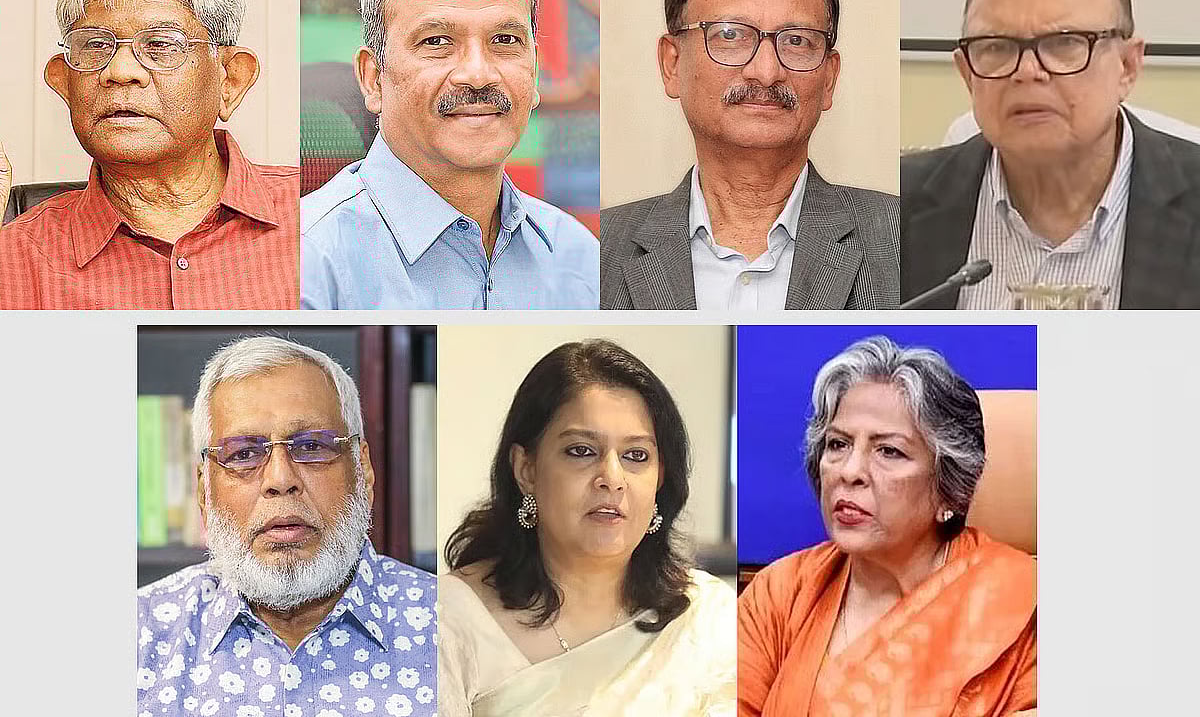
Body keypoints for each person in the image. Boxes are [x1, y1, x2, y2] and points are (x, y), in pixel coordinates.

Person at [301, 0, 599, 310]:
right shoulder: (310, 262)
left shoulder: (579, 257)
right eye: (437, 41)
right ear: (373, 78)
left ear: (534, 70)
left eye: (505, 40)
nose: (478, 74)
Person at [600, 0, 898, 310]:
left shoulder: (900, 236)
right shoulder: (601, 248)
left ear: (829, 78)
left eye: (797, 40)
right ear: (672, 64)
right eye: (730, 35)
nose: (766, 71)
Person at [0, 0, 299, 310]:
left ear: (230, 81)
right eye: (95, 45)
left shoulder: (318, 216)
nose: (120, 71)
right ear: (65, 84)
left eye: (160, 44)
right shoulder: (14, 257)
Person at [901, 0, 1200, 309]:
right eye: (996, 46)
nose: (1027, 71)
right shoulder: (895, 209)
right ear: (967, 74)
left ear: (1127, 66)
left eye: (1064, 43)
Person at [137, 337, 436, 716]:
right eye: (244, 454)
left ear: (363, 470)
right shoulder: (140, 633)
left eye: (311, 447)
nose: (280, 479)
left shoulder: (448, 623)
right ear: (203, 490)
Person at [738, 336, 1036, 716]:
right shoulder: (780, 593)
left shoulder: (1021, 604)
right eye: (838, 444)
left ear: (949, 488)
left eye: (889, 451)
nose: (850, 471)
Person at [439, 340, 735, 715]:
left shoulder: (708, 618)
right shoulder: (449, 619)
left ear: (660, 478)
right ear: (526, 470)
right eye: (582, 451)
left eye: (636, 456)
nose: (612, 478)